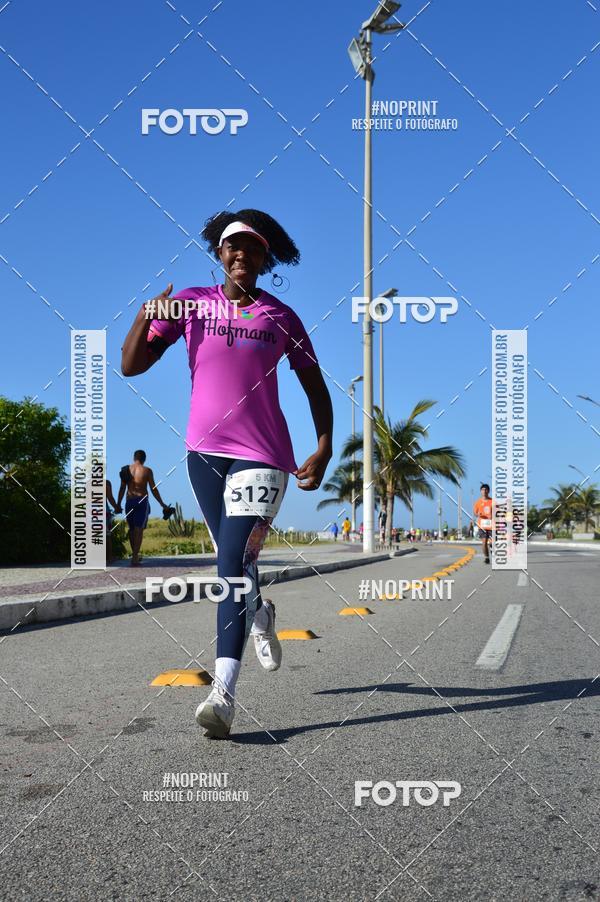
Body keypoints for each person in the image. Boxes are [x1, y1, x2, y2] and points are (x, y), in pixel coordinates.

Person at [121, 210, 333, 739]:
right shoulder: (191, 303)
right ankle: (259, 613)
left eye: (251, 248)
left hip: (263, 453)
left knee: (231, 564)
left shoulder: (281, 317)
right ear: (219, 253)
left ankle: (224, 694)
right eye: (230, 245)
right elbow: (131, 365)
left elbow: (315, 385)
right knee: (233, 562)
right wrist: (145, 314)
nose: (240, 253)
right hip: (203, 454)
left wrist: (325, 446)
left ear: (266, 259)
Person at [117, 450, 170, 566]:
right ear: (144, 459)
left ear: (134, 458)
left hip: (129, 501)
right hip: (142, 501)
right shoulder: (147, 471)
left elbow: (122, 488)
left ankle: (134, 555)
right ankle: (135, 556)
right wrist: (162, 503)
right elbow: (153, 488)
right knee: (139, 529)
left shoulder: (126, 470)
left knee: (131, 529)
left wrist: (118, 503)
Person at [473, 483, 494, 563]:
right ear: (480, 491)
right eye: (482, 490)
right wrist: (478, 514)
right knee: (484, 542)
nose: (484, 491)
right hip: (482, 525)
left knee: (492, 543)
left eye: (486, 489)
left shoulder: (492, 501)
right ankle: (486, 557)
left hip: (492, 525)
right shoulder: (478, 502)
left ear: (488, 491)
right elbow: (475, 512)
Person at [105, 479, 121, 565]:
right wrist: (116, 507)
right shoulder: (106, 483)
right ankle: (110, 557)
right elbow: (110, 498)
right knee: (107, 535)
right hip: (104, 511)